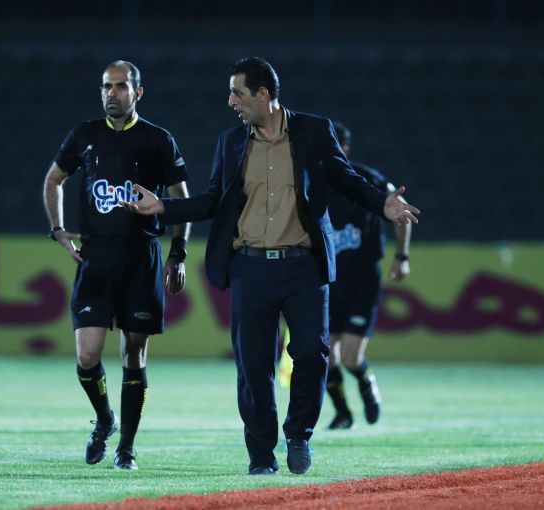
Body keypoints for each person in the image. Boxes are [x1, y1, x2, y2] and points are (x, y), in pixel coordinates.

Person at [122, 57, 419, 476]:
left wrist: (382, 204)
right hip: (251, 268)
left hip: (304, 267)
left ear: (263, 95)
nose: (231, 102)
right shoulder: (231, 142)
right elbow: (211, 200)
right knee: (254, 367)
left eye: (237, 93)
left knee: (312, 355)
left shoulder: (315, 131)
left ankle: (298, 434)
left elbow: (346, 180)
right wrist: (164, 207)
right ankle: (261, 456)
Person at [43, 60, 191, 471]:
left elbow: (181, 199)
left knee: (134, 355)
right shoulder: (85, 135)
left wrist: (178, 253)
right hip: (96, 258)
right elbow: (54, 179)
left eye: (121, 86)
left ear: (138, 92)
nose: (113, 93)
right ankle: (105, 418)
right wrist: (57, 228)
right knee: (87, 355)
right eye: (107, 86)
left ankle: (126, 447)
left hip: (142, 258)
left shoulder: (158, 140)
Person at [279, 122, 412, 430]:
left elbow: (403, 212)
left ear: (345, 150)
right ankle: (343, 413)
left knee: (350, 356)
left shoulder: (367, 180)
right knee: (325, 355)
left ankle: (366, 383)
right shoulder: (308, 182)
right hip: (325, 279)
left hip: (362, 280)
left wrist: (402, 256)